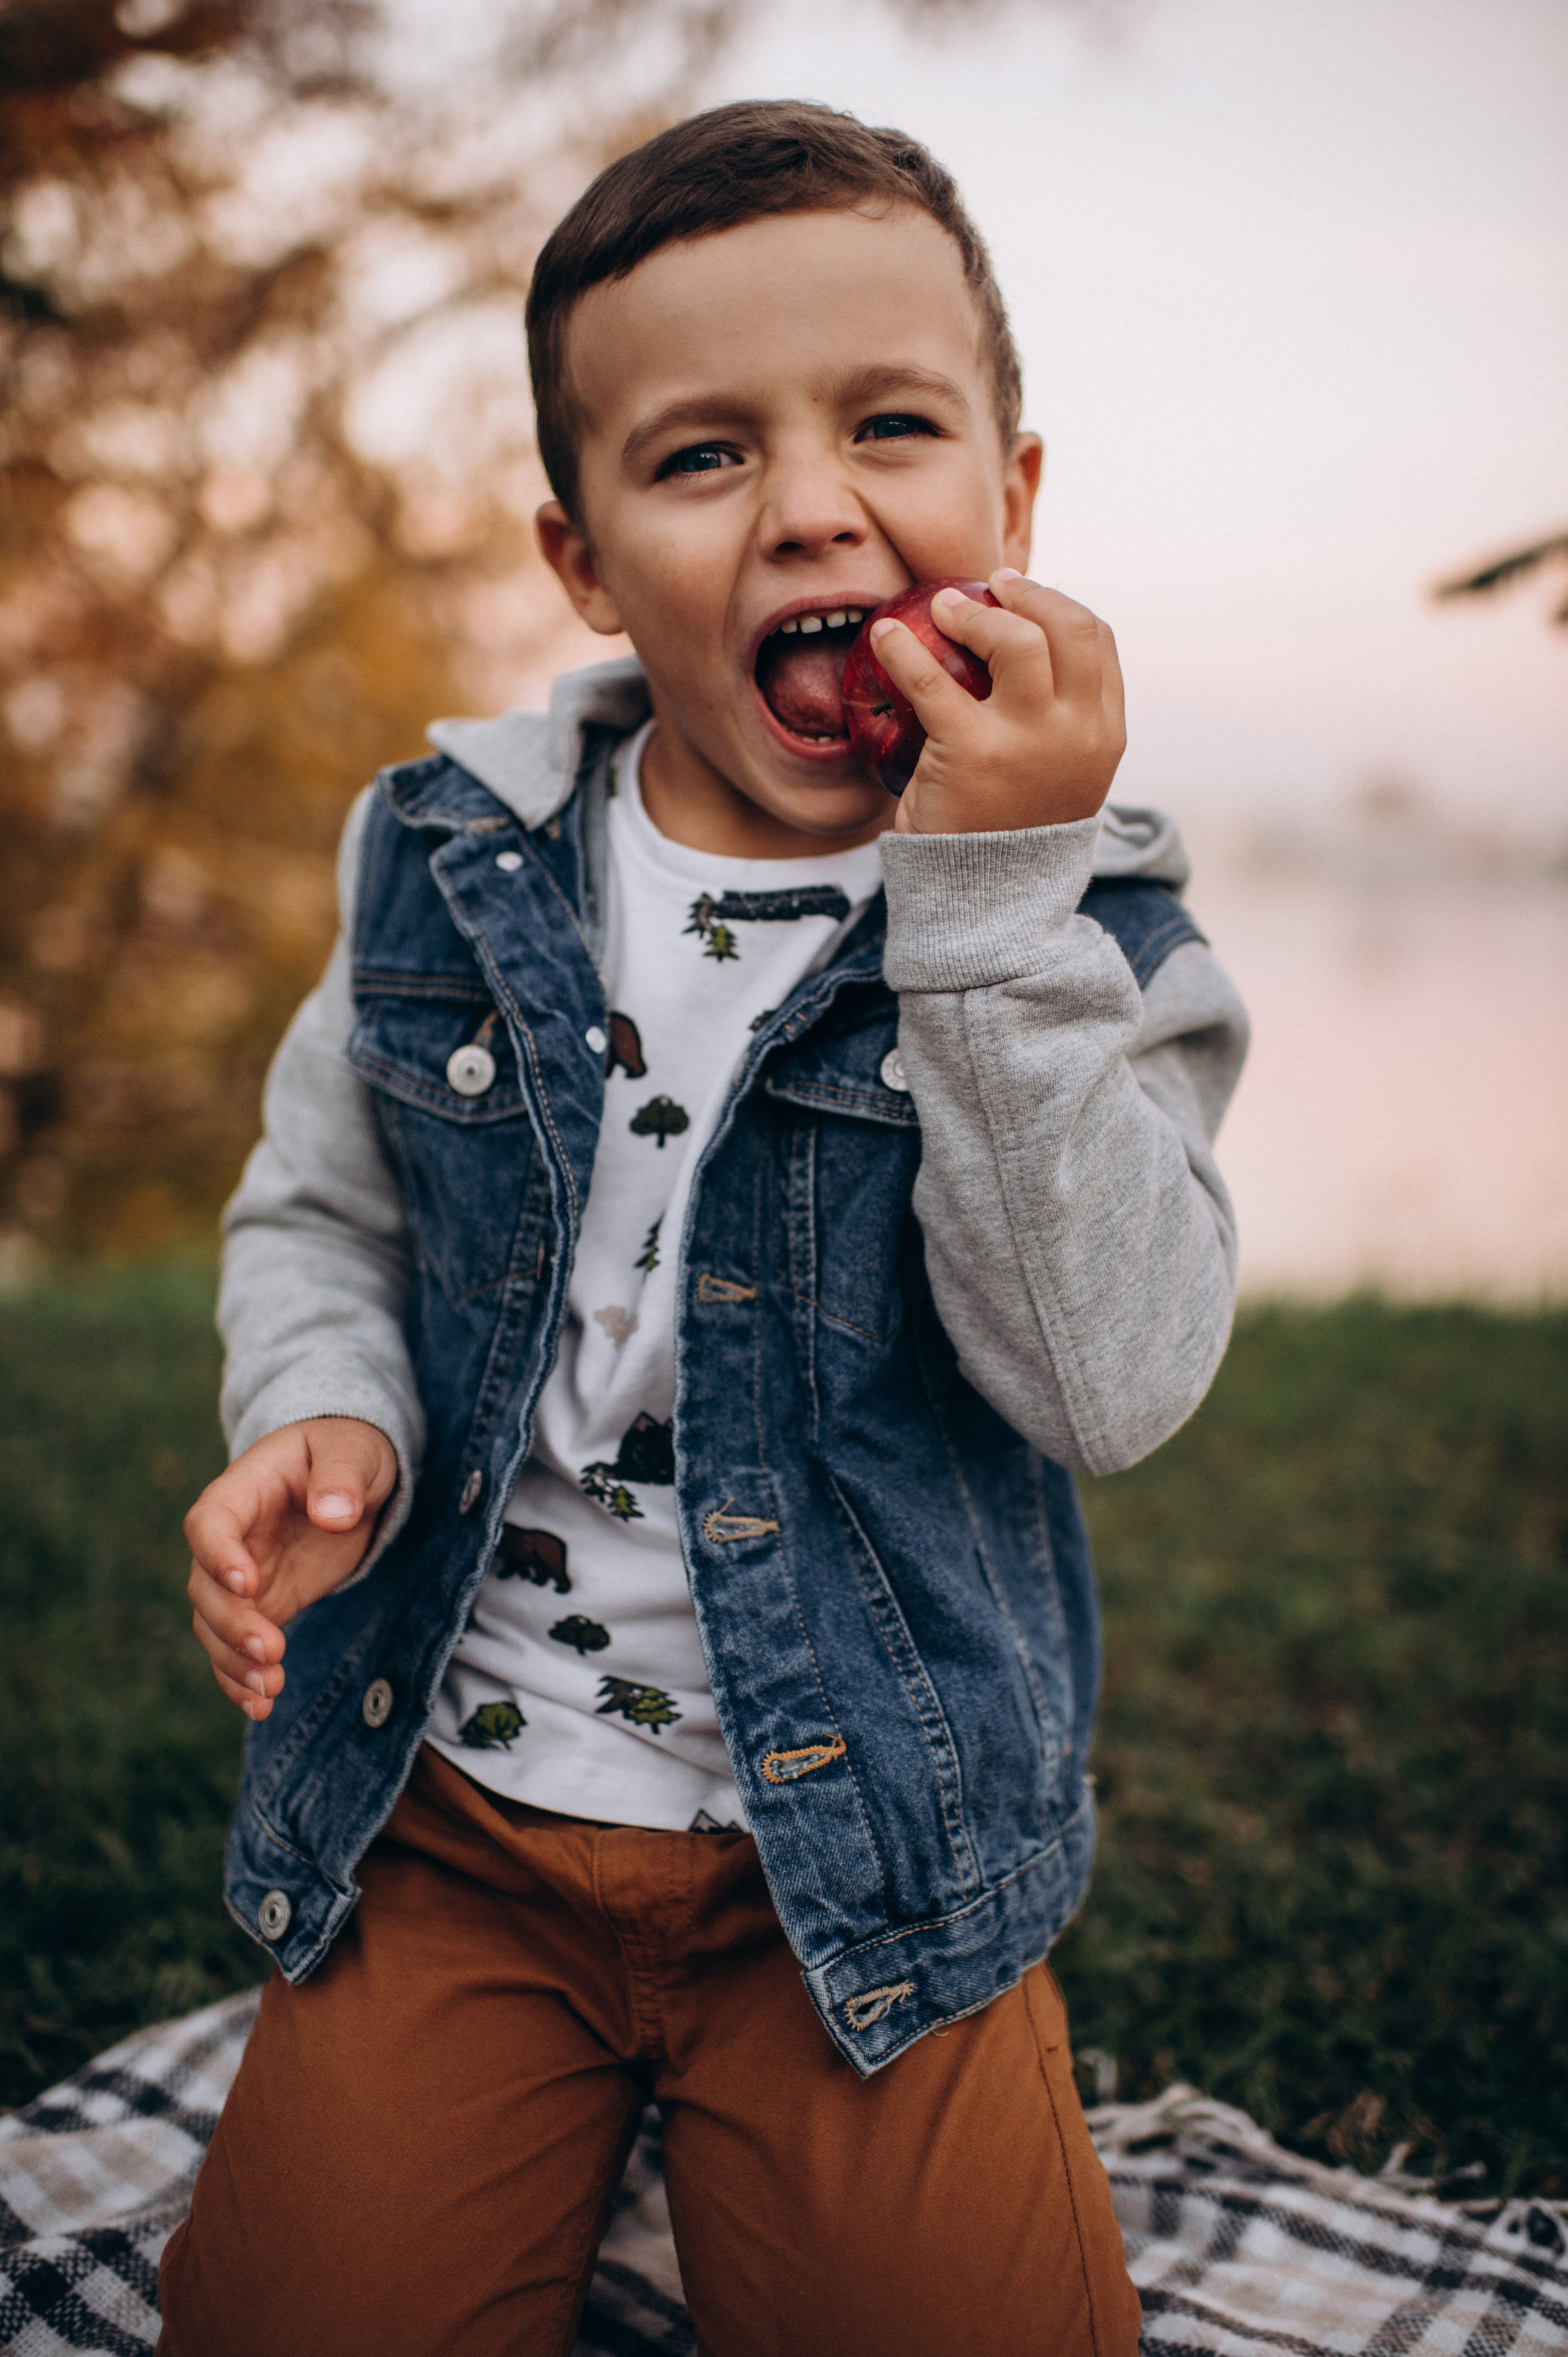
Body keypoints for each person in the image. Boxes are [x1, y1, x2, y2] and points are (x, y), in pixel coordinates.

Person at [159, 99, 1247, 2357]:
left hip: (874, 1858)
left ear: (1015, 500)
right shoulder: (448, 862)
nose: (819, 504)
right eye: (703, 457)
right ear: (582, 561)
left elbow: (1108, 1384)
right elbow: (318, 1214)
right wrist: (326, 1403)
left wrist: (988, 913)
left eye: (891, 427)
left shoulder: (1096, 928)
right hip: (457, 1818)